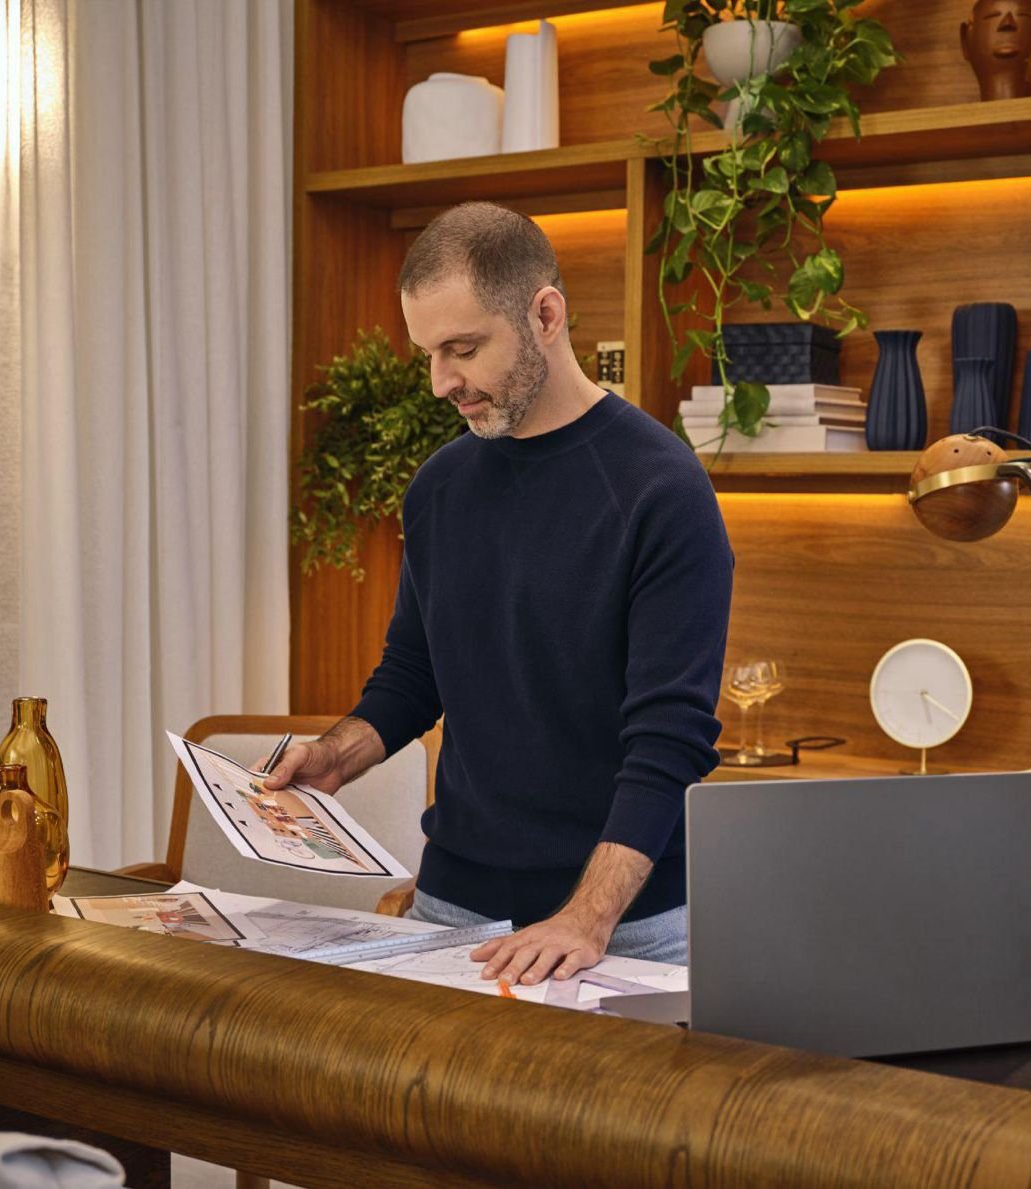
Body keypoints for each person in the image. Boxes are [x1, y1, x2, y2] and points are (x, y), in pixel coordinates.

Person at [264, 202, 733, 988]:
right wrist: (337, 754)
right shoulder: (440, 487)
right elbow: (415, 675)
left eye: (463, 348)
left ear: (544, 314)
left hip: (624, 932)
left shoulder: (663, 490)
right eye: (429, 354)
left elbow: (669, 744)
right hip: (455, 911)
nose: (443, 382)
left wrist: (586, 919)